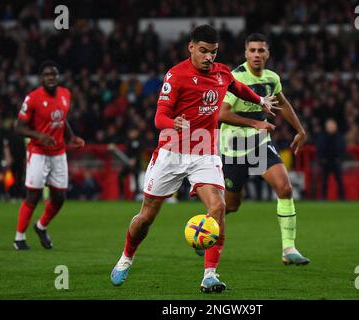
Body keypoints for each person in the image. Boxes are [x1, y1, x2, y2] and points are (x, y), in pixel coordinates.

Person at [110, 25, 278, 293]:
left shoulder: (222, 72)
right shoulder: (176, 76)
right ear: (191, 47)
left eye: (213, 52)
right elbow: (158, 117)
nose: (209, 57)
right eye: (203, 51)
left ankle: (210, 275)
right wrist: (172, 122)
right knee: (146, 217)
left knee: (218, 207)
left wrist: (260, 100)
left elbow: (237, 87)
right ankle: (126, 257)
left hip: (205, 153)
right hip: (172, 152)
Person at [218, 33, 310, 266]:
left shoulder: (271, 78)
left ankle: (289, 249)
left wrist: (300, 129)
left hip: (259, 143)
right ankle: (206, 229)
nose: (257, 55)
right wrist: (255, 123)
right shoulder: (235, 78)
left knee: (285, 188)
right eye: (252, 51)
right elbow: (222, 114)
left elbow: (283, 103)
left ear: (268, 54)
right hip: (233, 147)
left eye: (261, 50)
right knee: (231, 205)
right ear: (245, 53)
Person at [13, 60, 85, 250]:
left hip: (59, 152)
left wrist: (72, 137)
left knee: (59, 197)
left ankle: (41, 226)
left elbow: (62, 119)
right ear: (41, 78)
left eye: (54, 74)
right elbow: (18, 127)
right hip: (38, 152)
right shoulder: (32, 98)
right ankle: (19, 238)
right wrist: (39, 136)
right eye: (47, 75)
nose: (51, 78)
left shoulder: (65, 94)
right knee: (33, 195)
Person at [316, 118, 346, 200]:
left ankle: (342, 197)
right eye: (330, 126)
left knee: (339, 181)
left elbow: (343, 149)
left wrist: (340, 159)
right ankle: (323, 197)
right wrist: (321, 159)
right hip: (326, 162)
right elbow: (319, 149)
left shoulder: (339, 137)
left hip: (336, 161)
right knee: (324, 181)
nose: (331, 127)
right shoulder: (323, 137)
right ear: (326, 127)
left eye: (332, 125)